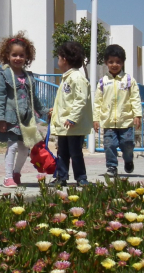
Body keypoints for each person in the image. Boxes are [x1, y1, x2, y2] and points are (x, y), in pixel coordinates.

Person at [0, 32, 49, 188]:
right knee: (12, 146)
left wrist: (44, 110)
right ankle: (8, 177)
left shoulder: (29, 77)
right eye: (14, 55)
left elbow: (34, 99)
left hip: (26, 120)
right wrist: (0, 119)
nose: (18, 58)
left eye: (21, 55)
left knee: (24, 149)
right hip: (11, 119)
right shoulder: (5, 75)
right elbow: (0, 98)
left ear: (27, 57)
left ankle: (17, 173)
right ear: (7, 56)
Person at [93, 44, 142, 177]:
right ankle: (112, 167)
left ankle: (128, 159)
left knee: (127, 143)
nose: (114, 65)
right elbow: (97, 101)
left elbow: (135, 98)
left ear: (123, 62)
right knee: (109, 145)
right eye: (111, 62)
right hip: (108, 122)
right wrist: (96, 118)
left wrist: (137, 114)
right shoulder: (102, 82)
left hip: (125, 121)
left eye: (118, 62)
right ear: (106, 63)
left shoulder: (129, 80)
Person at [49, 41, 92, 187]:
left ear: (64, 59)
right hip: (64, 126)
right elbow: (65, 101)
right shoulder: (66, 78)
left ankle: (81, 178)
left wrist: (73, 118)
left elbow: (81, 100)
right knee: (62, 153)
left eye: (59, 58)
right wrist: (54, 112)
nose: (58, 61)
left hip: (73, 126)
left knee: (75, 153)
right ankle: (61, 177)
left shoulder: (77, 78)